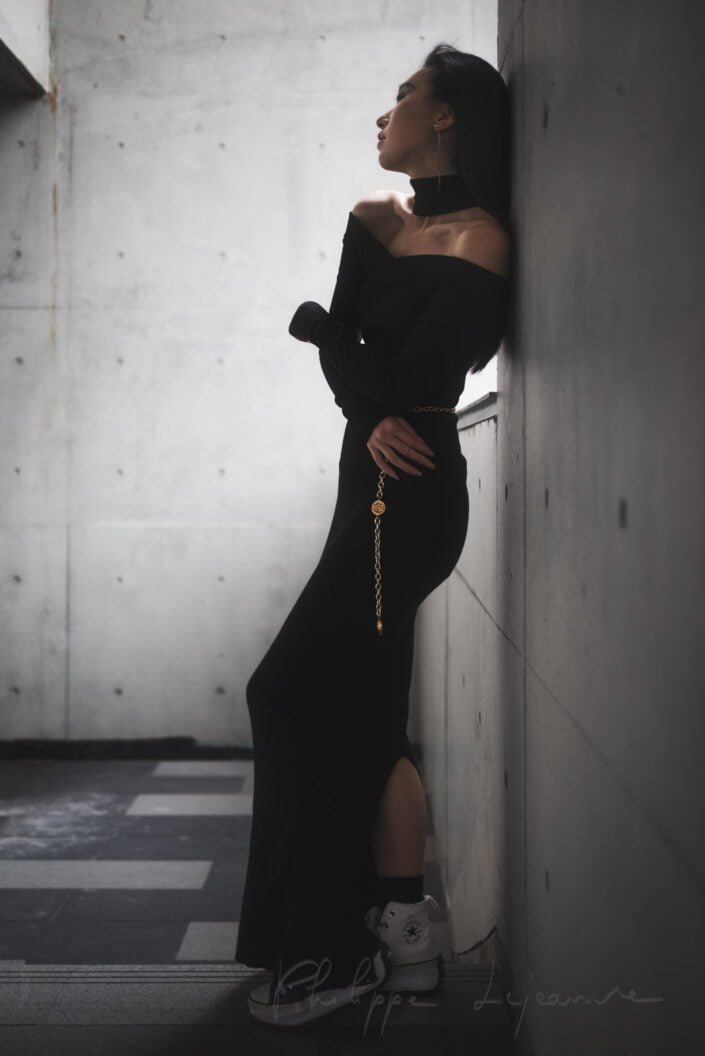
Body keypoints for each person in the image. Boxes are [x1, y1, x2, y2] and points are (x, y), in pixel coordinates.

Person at [236, 42, 512, 1029]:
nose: (383, 111)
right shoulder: (372, 220)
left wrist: (342, 354)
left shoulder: (482, 238)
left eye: (404, 95)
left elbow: (412, 371)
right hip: (369, 473)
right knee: (366, 712)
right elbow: (349, 354)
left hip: (418, 485)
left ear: (447, 117)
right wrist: (349, 366)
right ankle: (403, 940)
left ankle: (329, 954)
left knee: (291, 689)